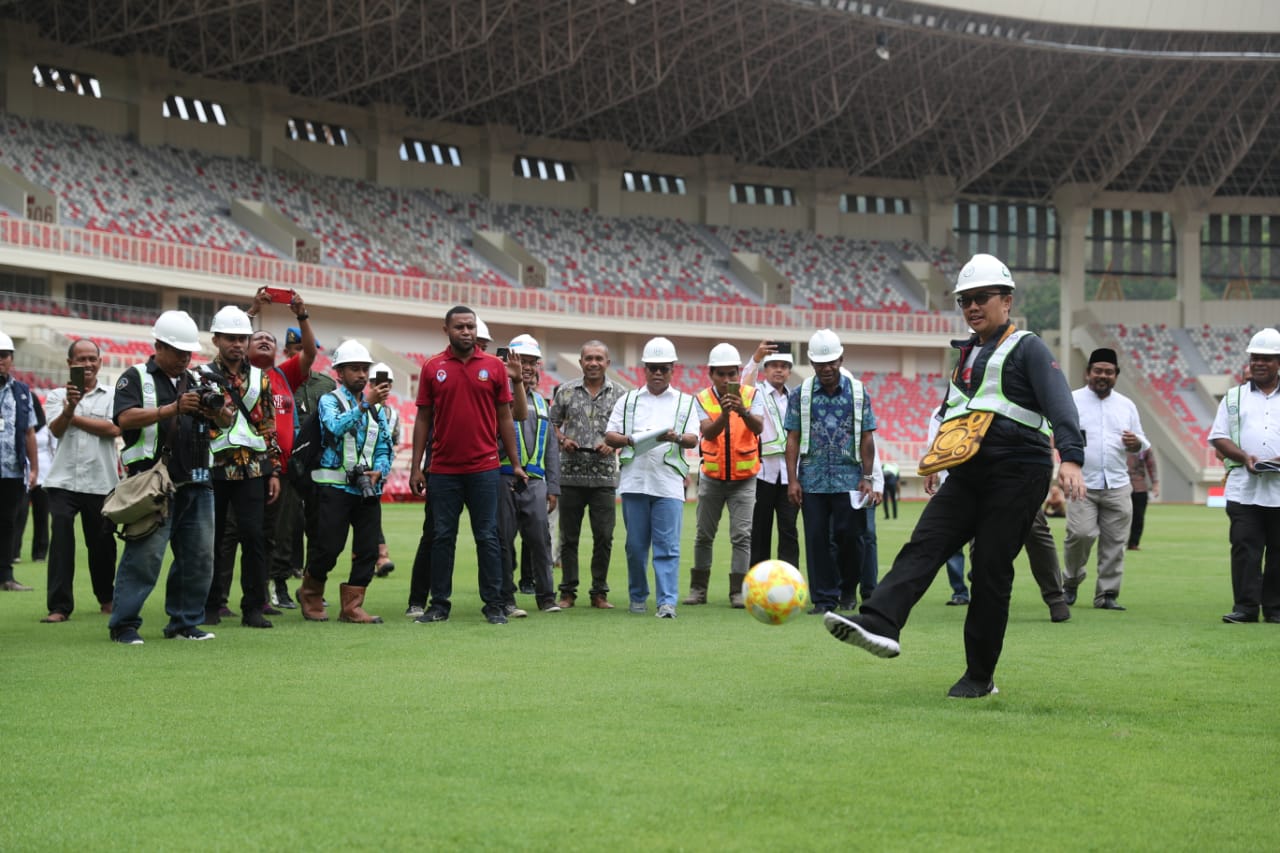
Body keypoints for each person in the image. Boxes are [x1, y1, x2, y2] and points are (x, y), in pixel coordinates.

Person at [823, 253, 1085, 698]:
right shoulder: (966, 356)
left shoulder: (1028, 347)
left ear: (1007, 300)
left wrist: (1072, 458)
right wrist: (936, 458)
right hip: (967, 470)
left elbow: (1060, 402)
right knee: (926, 541)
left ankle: (979, 677)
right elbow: (955, 415)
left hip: (1019, 469)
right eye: (964, 301)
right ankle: (880, 622)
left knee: (990, 570)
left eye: (981, 298)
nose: (972, 308)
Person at [108, 311, 232, 644]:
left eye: (188, 353)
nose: (184, 359)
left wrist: (216, 410)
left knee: (199, 558)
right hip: (153, 482)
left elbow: (227, 421)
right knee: (144, 557)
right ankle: (124, 625)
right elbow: (124, 418)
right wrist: (172, 408)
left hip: (198, 478)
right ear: (158, 346)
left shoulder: (198, 379)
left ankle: (184, 623)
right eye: (178, 352)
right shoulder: (134, 377)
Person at [409, 306, 527, 625]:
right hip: (443, 470)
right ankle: (439, 605)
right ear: (446, 329)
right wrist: (417, 467)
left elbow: (506, 417)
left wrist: (515, 463)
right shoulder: (433, 367)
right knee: (442, 537)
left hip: (485, 468)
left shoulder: (494, 367)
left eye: (471, 327)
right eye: (460, 326)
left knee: (487, 536)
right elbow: (423, 418)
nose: (466, 332)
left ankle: (493, 605)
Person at [219, 289, 317, 613]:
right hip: (240, 465)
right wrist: (253, 310)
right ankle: (218, 599)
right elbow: (230, 342)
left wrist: (301, 315)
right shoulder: (241, 374)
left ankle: (260, 597)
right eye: (256, 337)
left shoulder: (282, 375)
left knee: (269, 535)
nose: (264, 340)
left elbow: (310, 353)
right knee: (231, 534)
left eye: (269, 339)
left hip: (279, 470)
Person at [295, 340, 392, 624]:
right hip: (333, 487)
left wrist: (380, 471)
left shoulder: (377, 407)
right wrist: (364, 406)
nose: (362, 375)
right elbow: (335, 427)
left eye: (365, 369)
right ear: (339, 371)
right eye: (354, 369)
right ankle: (310, 593)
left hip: (367, 488)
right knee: (327, 547)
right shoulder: (330, 400)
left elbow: (385, 446)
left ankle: (352, 607)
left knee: (368, 549)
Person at [604, 336, 699, 618]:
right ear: (644, 369)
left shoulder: (685, 402)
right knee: (635, 546)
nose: (658, 373)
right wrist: (631, 440)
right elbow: (610, 435)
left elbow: (693, 438)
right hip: (635, 481)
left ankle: (667, 602)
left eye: (664, 368)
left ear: (673, 369)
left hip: (668, 483)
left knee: (667, 547)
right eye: (652, 368)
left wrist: (676, 437)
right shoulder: (628, 400)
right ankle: (637, 597)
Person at [784, 328, 876, 615]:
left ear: (841, 359)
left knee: (851, 536)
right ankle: (824, 599)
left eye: (831, 362)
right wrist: (793, 481)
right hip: (812, 481)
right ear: (811, 364)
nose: (826, 368)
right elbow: (793, 439)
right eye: (820, 363)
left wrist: (868, 478)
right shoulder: (801, 395)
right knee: (816, 540)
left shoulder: (859, 392)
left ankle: (848, 588)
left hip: (849, 479)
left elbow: (867, 438)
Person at [202, 305, 283, 629]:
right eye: (230, 338)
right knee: (214, 539)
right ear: (216, 339)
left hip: (252, 469)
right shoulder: (201, 375)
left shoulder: (260, 379)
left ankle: (253, 607)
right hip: (215, 468)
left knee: (254, 538)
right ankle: (210, 604)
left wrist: (274, 469)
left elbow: (268, 425)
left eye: (241, 338)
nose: (237, 344)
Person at [1062, 348, 1149, 611]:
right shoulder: (1071, 401)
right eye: (1098, 371)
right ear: (1087, 373)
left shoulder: (1126, 405)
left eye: (1108, 372)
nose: (1103, 376)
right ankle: (1071, 582)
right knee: (1080, 534)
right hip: (1082, 483)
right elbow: (1059, 436)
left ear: (1116, 376)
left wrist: (1136, 443)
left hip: (1118, 484)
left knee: (1115, 542)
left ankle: (1107, 594)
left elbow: (1143, 442)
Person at [40, 340, 121, 623]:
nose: (87, 364)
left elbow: (114, 428)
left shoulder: (112, 395)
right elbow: (56, 429)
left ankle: (106, 598)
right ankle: (59, 607)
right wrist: (68, 409)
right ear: (69, 363)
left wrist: (73, 415)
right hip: (62, 481)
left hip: (101, 481)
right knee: (61, 541)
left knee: (102, 543)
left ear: (100, 362)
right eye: (81, 359)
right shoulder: (55, 396)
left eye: (92, 359)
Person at [1208, 327, 1280, 624]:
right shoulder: (1234, 397)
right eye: (1255, 358)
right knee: (1245, 549)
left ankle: (1275, 610)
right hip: (1244, 488)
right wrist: (1243, 457)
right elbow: (1219, 436)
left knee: (1279, 554)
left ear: (1279, 362)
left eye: (1267, 358)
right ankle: (1246, 608)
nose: (1259, 363)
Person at [683, 342, 763, 608]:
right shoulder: (701, 399)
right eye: (721, 374)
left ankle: (737, 592)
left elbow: (758, 427)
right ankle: (698, 589)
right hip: (713, 477)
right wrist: (726, 414)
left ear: (739, 373)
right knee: (704, 535)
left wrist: (741, 410)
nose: (727, 379)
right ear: (711, 374)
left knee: (742, 536)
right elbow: (707, 433)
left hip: (744, 479)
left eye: (732, 374)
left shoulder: (752, 395)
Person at [550, 340, 625, 609]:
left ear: (607, 363)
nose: (593, 363)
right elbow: (552, 424)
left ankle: (599, 593)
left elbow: (628, 430)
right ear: (581, 362)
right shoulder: (565, 391)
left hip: (604, 478)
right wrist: (561, 439)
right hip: (570, 475)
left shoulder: (621, 394)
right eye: (588, 358)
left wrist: (614, 443)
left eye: (599, 358)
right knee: (568, 537)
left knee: (604, 537)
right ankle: (567, 592)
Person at [497, 335, 561, 616]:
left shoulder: (543, 402)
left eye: (532, 362)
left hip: (536, 480)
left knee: (540, 539)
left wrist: (553, 487)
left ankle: (546, 597)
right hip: (503, 476)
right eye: (522, 361)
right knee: (503, 540)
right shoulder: (498, 397)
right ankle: (506, 599)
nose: (527, 367)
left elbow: (551, 448)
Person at [279, 324, 337, 581]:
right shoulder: (277, 379)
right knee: (287, 522)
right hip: (289, 462)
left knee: (318, 524)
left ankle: (313, 580)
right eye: (296, 349)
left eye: (306, 349)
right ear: (286, 350)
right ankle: (283, 575)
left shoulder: (325, 384)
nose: (301, 353)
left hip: (317, 463)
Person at [741, 341, 799, 570]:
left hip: (789, 477)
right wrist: (755, 358)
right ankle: (757, 581)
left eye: (783, 366)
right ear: (765, 370)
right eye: (773, 365)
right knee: (759, 532)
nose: (778, 370)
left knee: (789, 531)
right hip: (762, 474)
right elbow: (743, 382)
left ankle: (790, 580)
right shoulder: (756, 393)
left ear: (789, 371)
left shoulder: (795, 398)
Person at [0, 330, 38, 592]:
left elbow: (29, 431)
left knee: (8, 525)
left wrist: (34, 467)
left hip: (12, 470)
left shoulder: (22, 391)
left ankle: (6, 577)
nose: (1, 360)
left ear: (12, 359)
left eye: (5, 355)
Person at [368, 362, 400, 579]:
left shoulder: (394, 415)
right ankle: (380, 555)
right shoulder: (360, 407)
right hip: (359, 470)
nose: (384, 387)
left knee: (370, 514)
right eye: (379, 382)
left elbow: (394, 442)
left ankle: (373, 557)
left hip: (380, 473)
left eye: (387, 383)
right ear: (370, 384)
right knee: (368, 514)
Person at [1126, 447, 1158, 550]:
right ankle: (1117, 542)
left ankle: (1133, 543)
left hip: (1139, 487)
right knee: (1118, 516)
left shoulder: (1144, 446)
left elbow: (1151, 465)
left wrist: (1155, 483)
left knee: (1138, 517)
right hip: (1119, 486)